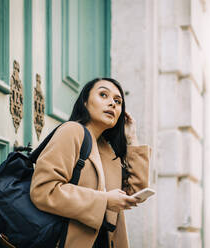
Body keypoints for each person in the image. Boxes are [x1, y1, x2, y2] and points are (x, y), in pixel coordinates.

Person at [30, 78, 150, 248]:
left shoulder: (108, 151)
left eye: (118, 101)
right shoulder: (71, 131)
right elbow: (43, 190)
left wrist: (132, 138)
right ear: (85, 102)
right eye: (103, 95)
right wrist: (104, 201)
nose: (112, 104)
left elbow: (134, 193)